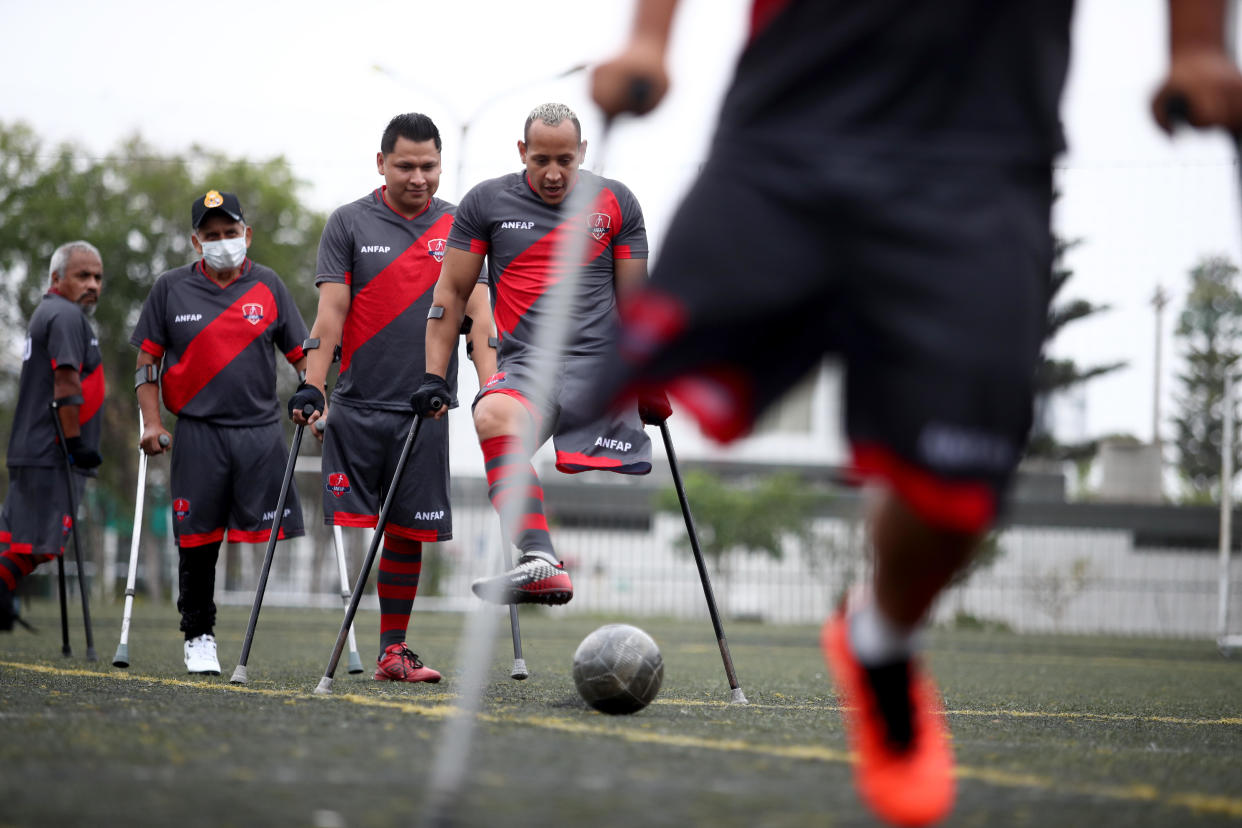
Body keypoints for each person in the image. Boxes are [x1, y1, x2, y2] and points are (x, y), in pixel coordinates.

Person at [590, 1, 1242, 825]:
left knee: (956, 500)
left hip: (985, 142)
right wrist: (650, 39)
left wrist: (1198, 47)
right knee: (638, 369)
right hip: (797, 112)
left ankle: (883, 640)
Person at [413, 102, 660, 607]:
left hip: (600, 368)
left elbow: (639, 306)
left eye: (565, 160)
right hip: (528, 365)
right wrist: (434, 376)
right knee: (491, 412)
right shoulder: (486, 203)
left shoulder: (617, 203)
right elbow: (450, 296)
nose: (553, 173)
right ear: (523, 152)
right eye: (541, 159)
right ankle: (540, 560)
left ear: (583, 153)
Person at [288, 113, 494, 684]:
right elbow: (331, 314)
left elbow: (478, 313)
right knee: (356, 527)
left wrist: (490, 379)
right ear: (381, 163)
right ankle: (360, 643)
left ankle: (393, 653)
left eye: (429, 165)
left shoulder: (460, 225)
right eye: (406, 165)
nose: (418, 176)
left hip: (424, 407)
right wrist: (313, 382)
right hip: (355, 406)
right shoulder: (349, 222)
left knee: (408, 530)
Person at [131, 191, 310, 675]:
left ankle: (266, 637)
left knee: (269, 536)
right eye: (211, 236)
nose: (223, 242)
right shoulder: (170, 289)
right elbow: (147, 364)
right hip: (198, 432)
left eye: (230, 233)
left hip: (258, 431)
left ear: (246, 235)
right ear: (196, 242)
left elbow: (302, 355)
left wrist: (316, 401)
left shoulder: (269, 285)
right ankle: (199, 634)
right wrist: (152, 423)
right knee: (198, 540)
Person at [0, 241, 105, 632]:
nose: (92, 284)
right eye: (83, 276)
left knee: (22, 537)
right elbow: (66, 380)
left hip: (36, 450)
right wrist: (75, 443)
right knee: (42, 544)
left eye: (97, 277)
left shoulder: (56, 312)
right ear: (56, 278)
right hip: (52, 452)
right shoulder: (64, 316)